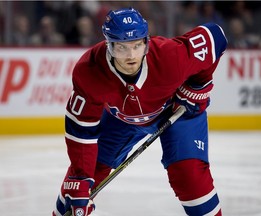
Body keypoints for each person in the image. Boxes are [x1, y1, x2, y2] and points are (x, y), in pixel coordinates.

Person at [52, 7, 227, 216]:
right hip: (121, 119)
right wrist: (81, 177)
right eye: (122, 48)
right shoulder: (89, 70)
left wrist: (199, 86)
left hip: (176, 110)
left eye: (137, 46)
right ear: (109, 45)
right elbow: (81, 128)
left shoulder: (170, 56)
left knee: (189, 177)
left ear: (146, 42)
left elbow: (215, 36)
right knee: (77, 187)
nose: (131, 56)